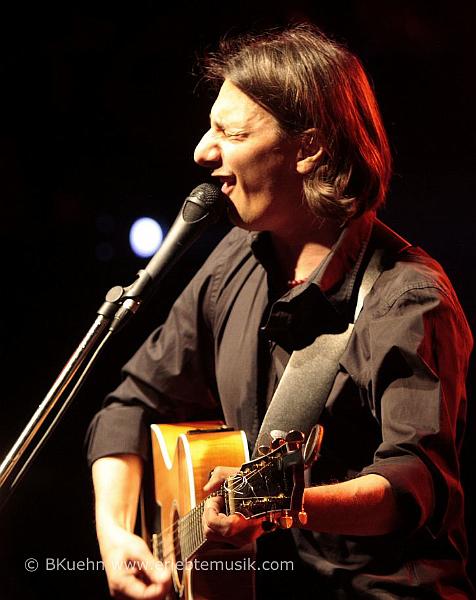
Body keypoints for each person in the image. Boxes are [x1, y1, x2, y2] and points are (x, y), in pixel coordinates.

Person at [86, 24, 474, 599]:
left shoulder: (409, 298)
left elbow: (414, 484)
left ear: (309, 148)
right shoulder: (234, 260)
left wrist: (282, 506)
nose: (202, 151)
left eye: (231, 132)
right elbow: (131, 404)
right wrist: (116, 535)